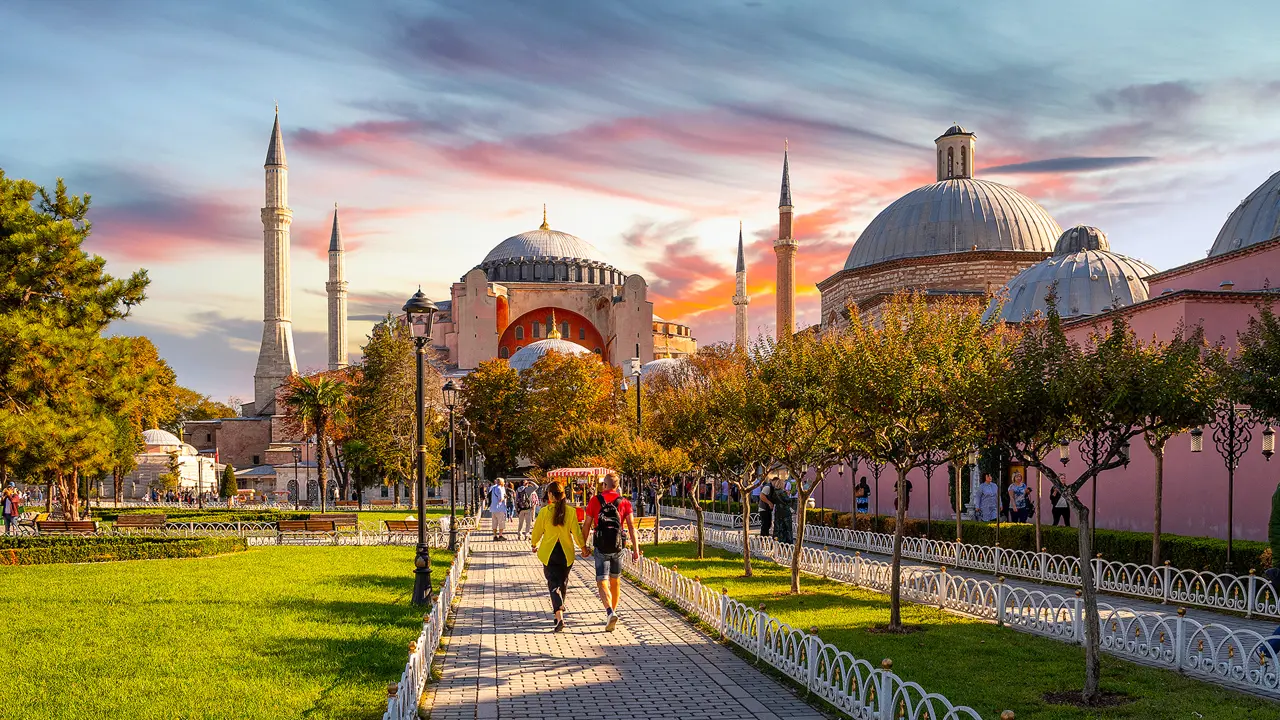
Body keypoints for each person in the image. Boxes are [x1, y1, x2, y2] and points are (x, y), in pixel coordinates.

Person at [580, 472, 641, 631]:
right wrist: (636, 550)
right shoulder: (624, 502)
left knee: (602, 581)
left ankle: (609, 612)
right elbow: (632, 527)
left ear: (604, 485)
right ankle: (613, 612)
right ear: (617, 486)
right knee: (615, 580)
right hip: (618, 546)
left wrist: (583, 546)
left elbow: (586, 525)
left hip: (601, 546)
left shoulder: (595, 500)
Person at [530, 480, 583, 632]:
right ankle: (558, 613)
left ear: (551, 495)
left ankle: (559, 614)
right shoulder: (570, 512)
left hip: (550, 553)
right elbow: (577, 533)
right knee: (563, 582)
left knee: (553, 584)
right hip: (566, 553)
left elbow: (537, 531)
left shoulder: (545, 511)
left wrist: (534, 544)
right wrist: (583, 547)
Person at [771, 478, 795, 544]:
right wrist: (787, 494)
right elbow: (788, 501)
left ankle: (778, 540)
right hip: (785, 511)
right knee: (787, 527)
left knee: (778, 527)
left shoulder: (774, 492)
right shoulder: (782, 492)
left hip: (778, 511)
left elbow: (773, 500)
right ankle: (787, 542)